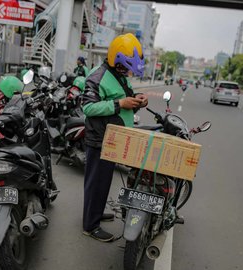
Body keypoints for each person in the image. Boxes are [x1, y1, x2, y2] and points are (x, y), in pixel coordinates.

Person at [81, 33, 148, 242]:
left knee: (104, 181)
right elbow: (88, 107)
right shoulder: (97, 76)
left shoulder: (119, 76)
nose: (126, 71)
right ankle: (90, 226)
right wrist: (119, 104)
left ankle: (97, 213)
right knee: (96, 183)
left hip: (113, 139)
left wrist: (139, 100)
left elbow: (126, 95)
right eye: (123, 66)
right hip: (100, 139)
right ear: (114, 59)